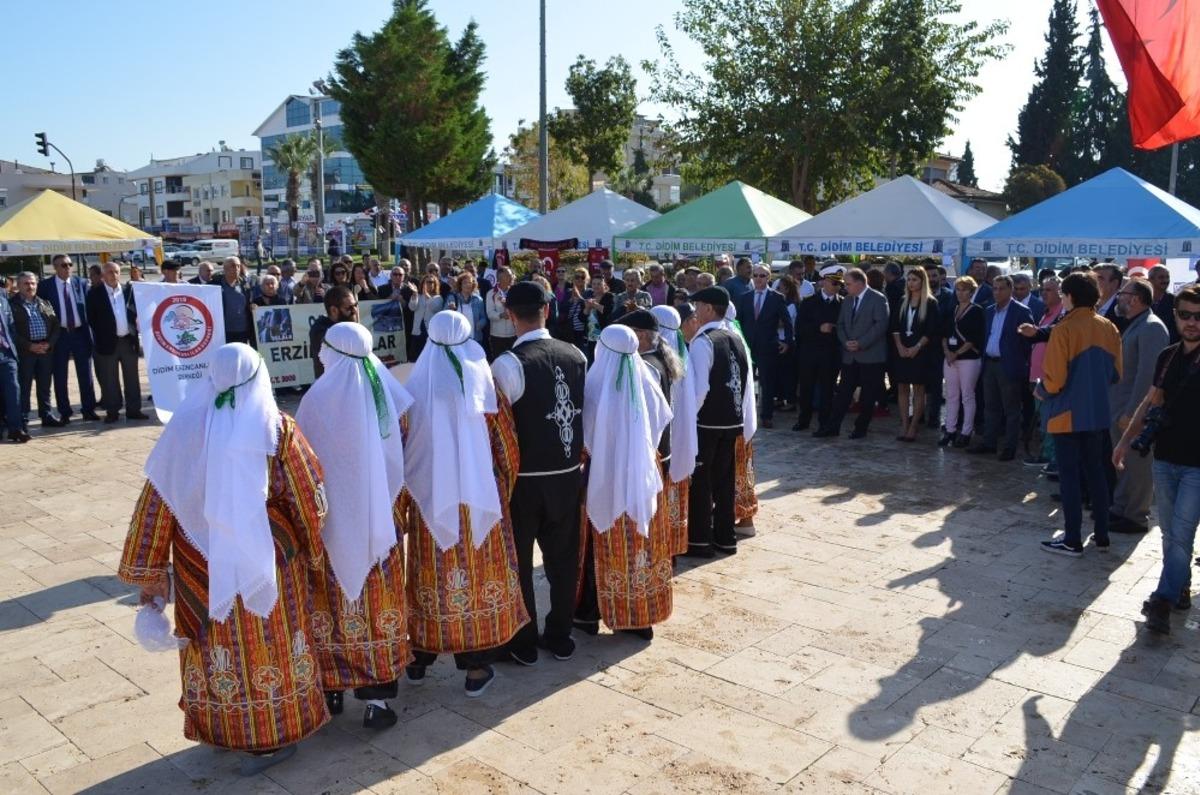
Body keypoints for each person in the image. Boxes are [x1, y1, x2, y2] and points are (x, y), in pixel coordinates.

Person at [119, 343, 329, 774]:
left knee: (218, 648)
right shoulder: (277, 427)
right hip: (268, 560)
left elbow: (158, 498)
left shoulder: (185, 427)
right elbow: (307, 494)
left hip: (202, 560)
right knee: (268, 643)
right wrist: (310, 544)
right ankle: (269, 739)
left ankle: (222, 729)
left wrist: (149, 568)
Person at [402, 310, 529, 694]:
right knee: (477, 580)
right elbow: (505, 444)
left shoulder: (415, 382)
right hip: (477, 498)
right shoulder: (483, 379)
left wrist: (411, 496)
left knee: (430, 578)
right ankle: (475, 670)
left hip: (430, 499)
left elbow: (404, 444)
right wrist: (502, 489)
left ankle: (420, 659)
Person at [296, 322, 413, 728]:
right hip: (379, 524)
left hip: (331, 529)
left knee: (331, 605)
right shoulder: (387, 396)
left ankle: (331, 689)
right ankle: (377, 701)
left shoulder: (313, 401)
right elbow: (401, 456)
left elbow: (303, 466)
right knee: (377, 605)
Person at [491, 282, 586, 664]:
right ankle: (560, 634)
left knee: (520, 562)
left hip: (524, 481)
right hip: (566, 474)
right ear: (547, 310)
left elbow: (498, 430)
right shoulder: (576, 354)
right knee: (563, 558)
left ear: (510, 316)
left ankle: (524, 640)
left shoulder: (508, 364)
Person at [575, 323, 673, 639]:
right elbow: (661, 420)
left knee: (595, 542)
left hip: (602, 473)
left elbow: (584, 434)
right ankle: (639, 617)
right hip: (642, 471)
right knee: (640, 543)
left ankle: (588, 614)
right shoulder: (648, 377)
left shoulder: (593, 381)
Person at [1114, 286, 1200, 633]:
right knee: (1170, 534)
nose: (1192, 322)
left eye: (1199, 316)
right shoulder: (1167, 357)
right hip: (1164, 458)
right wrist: (1124, 440)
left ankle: (1162, 599)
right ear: (1175, 315)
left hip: (1198, 464)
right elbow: (1149, 403)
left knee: (1181, 533)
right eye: (1185, 315)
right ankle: (1180, 585)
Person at [1036, 272, 1122, 557]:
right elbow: (1116, 374)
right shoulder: (1109, 327)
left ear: (1070, 296)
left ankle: (1072, 538)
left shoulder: (1064, 329)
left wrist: (1042, 390)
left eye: (1063, 293)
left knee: (1070, 478)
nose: (1061, 298)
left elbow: (1055, 379)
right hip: (1097, 412)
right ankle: (1102, 534)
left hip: (1067, 414)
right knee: (1096, 473)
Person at [686, 286, 753, 557]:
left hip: (708, 423)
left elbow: (700, 389)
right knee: (725, 482)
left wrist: (689, 419)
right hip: (731, 421)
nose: (695, 311)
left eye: (698, 305)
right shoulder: (735, 337)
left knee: (702, 483)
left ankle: (701, 541)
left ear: (709, 309)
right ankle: (725, 538)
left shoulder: (704, 342)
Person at [1108, 278, 1170, 534]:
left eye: (1122, 293)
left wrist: (1134, 414)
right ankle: (1122, 508)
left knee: (1137, 465)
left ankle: (1135, 515)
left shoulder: (1151, 328)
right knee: (1123, 462)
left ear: (1134, 299)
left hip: (1132, 411)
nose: (1118, 298)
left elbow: (1148, 376)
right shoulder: (1138, 324)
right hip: (1121, 408)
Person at [815, 268, 890, 440]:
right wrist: (846, 341)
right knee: (843, 393)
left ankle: (861, 428)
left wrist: (861, 343)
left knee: (868, 396)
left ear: (860, 283)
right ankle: (832, 427)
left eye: (848, 284)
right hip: (850, 355)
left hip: (871, 356)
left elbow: (880, 325)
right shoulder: (848, 300)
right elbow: (840, 324)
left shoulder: (878, 299)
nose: (844, 287)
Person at [650, 304, 698, 558]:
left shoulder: (655, 362)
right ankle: (675, 545)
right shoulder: (683, 354)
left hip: (666, 442)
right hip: (682, 437)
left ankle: (665, 546)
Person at [968, 276, 1034, 461]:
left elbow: (1027, 342)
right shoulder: (989, 310)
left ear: (1010, 290)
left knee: (1011, 409)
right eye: (994, 289)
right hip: (990, 363)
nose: (997, 292)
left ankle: (1009, 447)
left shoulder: (1021, 311)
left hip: (1009, 365)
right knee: (990, 406)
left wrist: (1017, 361)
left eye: (1001, 289)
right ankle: (989, 443)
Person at [38, 254, 99, 422]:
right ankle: (65, 411)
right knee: (60, 374)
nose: (68, 268)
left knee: (85, 373)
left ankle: (88, 409)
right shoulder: (45, 286)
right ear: (55, 267)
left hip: (80, 333)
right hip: (60, 335)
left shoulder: (81, 283)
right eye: (63, 265)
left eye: (69, 264)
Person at [86, 262, 146, 424]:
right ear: (103, 276)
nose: (113, 275)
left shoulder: (129, 291)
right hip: (107, 343)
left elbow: (137, 312)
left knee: (132, 378)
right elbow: (91, 319)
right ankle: (113, 411)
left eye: (116, 272)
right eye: (110, 272)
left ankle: (134, 409)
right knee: (110, 379)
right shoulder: (94, 293)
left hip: (128, 340)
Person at [735, 263, 792, 429]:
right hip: (747, 347)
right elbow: (738, 321)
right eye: (756, 275)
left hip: (768, 346)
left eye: (762, 276)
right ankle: (743, 415)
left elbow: (788, 323)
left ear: (769, 278)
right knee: (744, 382)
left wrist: (787, 342)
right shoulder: (745, 297)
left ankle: (766, 416)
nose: (758, 279)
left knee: (767, 384)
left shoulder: (777, 297)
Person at [890, 266, 940, 442]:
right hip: (902, 351)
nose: (911, 283)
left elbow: (931, 330)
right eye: (909, 279)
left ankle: (914, 426)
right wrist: (900, 346)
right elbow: (895, 327)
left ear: (922, 281)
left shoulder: (931, 303)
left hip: (920, 352)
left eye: (915, 280)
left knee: (919, 390)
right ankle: (904, 423)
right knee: (902, 388)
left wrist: (917, 347)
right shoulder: (902, 301)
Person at [793, 264, 844, 433]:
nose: (837, 286)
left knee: (827, 390)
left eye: (839, 283)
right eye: (833, 282)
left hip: (831, 353)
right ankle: (804, 419)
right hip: (810, 352)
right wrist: (818, 328)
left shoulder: (843, 304)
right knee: (806, 388)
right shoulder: (809, 302)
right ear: (823, 282)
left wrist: (833, 329)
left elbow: (845, 328)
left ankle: (824, 422)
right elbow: (799, 328)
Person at [1024, 276, 1066, 466]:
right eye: (1042, 290)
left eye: (1049, 290)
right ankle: (1048, 454)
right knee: (1042, 418)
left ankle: (1051, 457)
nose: (1044, 293)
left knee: (1049, 417)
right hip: (1037, 373)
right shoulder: (1046, 312)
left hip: (1050, 376)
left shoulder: (1062, 314)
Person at [11, 273, 63, 428]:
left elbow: (56, 326)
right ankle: (23, 418)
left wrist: (49, 343)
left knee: (45, 385)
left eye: (33, 283)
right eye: (26, 283)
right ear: (18, 286)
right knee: (24, 386)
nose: (30, 287)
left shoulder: (44, 303)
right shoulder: (11, 305)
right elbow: (10, 331)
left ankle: (46, 415)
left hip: (45, 350)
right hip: (25, 352)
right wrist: (29, 345)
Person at [940, 275, 986, 448]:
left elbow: (974, 338)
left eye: (965, 289)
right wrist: (946, 351)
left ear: (972, 292)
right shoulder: (952, 310)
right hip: (950, 358)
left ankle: (966, 432)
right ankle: (950, 430)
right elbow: (944, 333)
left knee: (967, 395)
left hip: (968, 359)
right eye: (958, 289)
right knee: (952, 395)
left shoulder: (976, 310)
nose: (960, 293)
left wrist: (956, 353)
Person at [0, 286, 29, 442]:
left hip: (6, 354)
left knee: (13, 391)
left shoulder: (3, 301)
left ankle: (15, 429)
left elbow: (10, 327)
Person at [310, 286, 358, 380]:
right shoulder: (321, 331)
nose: (355, 311)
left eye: (355, 305)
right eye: (349, 308)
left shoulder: (346, 325)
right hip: (330, 385)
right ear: (334, 310)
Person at [214, 257, 255, 345]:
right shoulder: (215, 285)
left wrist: (252, 306)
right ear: (225, 268)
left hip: (242, 330)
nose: (236, 269)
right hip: (223, 331)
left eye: (238, 266)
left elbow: (249, 302)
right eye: (233, 266)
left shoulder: (245, 285)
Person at [407, 273, 445, 360]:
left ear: (435, 284)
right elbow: (412, 307)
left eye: (431, 282)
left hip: (430, 332)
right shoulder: (418, 296)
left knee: (428, 358)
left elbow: (434, 308)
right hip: (417, 330)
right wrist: (415, 294)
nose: (429, 284)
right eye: (426, 282)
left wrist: (427, 295)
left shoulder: (438, 298)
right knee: (414, 356)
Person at [486, 267, 517, 359]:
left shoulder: (516, 292)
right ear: (500, 278)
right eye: (508, 275)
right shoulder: (491, 293)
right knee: (498, 361)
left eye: (511, 275)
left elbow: (520, 310)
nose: (512, 277)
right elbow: (490, 313)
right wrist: (501, 315)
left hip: (513, 334)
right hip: (497, 335)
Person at [450, 272, 488, 345]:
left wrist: (480, 325)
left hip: (475, 338)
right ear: (460, 284)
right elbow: (444, 315)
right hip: (457, 338)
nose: (468, 285)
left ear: (473, 284)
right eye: (465, 282)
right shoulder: (452, 298)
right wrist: (450, 310)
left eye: (470, 282)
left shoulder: (478, 300)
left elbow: (484, 318)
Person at [1095, 263, 1125, 332]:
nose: (1093, 282)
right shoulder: (1085, 305)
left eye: (1100, 278)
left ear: (1114, 283)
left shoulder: (1124, 308)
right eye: (1092, 278)